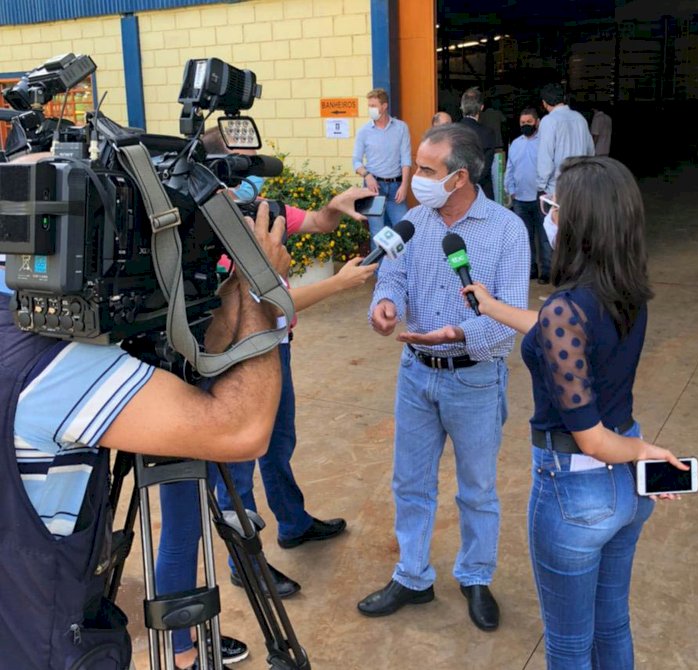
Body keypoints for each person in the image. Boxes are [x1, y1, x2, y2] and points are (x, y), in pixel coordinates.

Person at [0, 160, 289, 670]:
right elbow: (242, 428)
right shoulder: (55, 365)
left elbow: (202, 356)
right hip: (36, 638)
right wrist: (256, 283)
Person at [157, 127, 378, 669]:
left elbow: (316, 223)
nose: (245, 182)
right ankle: (242, 564)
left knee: (279, 444)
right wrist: (342, 284)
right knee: (237, 466)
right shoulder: (203, 231)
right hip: (227, 365)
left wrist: (333, 207)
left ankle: (295, 523)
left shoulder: (258, 204)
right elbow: (269, 299)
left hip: (273, 354)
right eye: (230, 172)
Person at [463, 156, 687, 668]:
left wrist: (644, 451)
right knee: (612, 624)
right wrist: (493, 307)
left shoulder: (567, 308)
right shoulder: (625, 289)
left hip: (576, 491)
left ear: (577, 222)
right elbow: (558, 330)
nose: (549, 214)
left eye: (554, 206)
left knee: (567, 644)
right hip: (628, 493)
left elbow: (591, 438)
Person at [357, 124, 529, 632]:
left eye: (427, 171)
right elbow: (394, 274)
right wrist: (385, 302)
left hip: (473, 378)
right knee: (410, 483)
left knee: (477, 489)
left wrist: (456, 332)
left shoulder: (505, 231)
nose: (415, 181)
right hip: (415, 374)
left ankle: (476, 575)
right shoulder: (414, 221)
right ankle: (413, 576)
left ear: (458, 178)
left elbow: (510, 317)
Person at [352, 88, 412, 251]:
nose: (370, 109)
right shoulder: (364, 131)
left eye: (373, 105)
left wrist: (404, 185)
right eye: (369, 105)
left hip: (395, 188)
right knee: (377, 234)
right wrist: (367, 176)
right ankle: (379, 274)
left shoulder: (401, 128)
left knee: (403, 230)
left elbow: (406, 158)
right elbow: (356, 161)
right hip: (373, 188)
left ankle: (403, 272)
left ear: (384, 106)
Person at [505, 107, 551, 284]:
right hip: (520, 199)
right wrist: (509, 188)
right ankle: (530, 269)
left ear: (537, 122)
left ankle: (546, 271)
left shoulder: (544, 143)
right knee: (525, 238)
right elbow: (510, 167)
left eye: (529, 122)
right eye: (522, 123)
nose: (525, 125)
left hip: (541, 198)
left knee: (544, 237)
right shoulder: (516, 143)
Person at [536, 83, 594, 197]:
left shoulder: (549, 121)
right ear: (563, 99)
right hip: (580, 184)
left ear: (544, 103)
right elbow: (590, 151)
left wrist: (540, 185)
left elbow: (545, 157)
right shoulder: (580, 118)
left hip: (557, 188)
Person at [458, 87, 499, 199]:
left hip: (457, 190)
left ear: (462, 107)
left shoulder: (451, 131)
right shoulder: (487, 133)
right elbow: (486, 167)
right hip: (482, 192)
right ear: (481, 107)